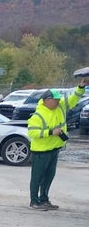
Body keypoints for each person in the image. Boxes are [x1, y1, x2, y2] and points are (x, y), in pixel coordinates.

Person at [26, 78, 87, 210]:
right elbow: (32, 133)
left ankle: (44, 199)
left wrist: (80, 87)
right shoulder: (39, 115)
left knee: (49, 177)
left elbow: (73, 100)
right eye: (56, 100)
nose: (58, 102)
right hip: (41, 151)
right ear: (47, 100)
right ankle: (34, 201)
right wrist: (50, 132)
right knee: (37, 177)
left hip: (54, 149)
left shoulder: (59, 107)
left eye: (59, 99)